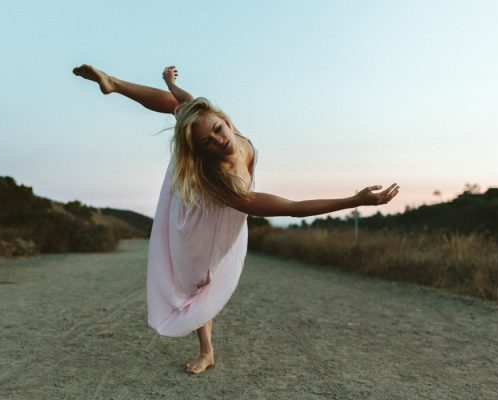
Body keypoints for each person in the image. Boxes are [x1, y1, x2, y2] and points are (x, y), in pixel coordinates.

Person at [73, 64, 400, 374]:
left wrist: (171, 83)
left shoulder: (225, 128)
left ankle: (114, 84)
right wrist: (354, 200)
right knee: (198, 281)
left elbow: (187, 102)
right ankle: (206, 351)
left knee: (182, 106)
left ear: (224, 119)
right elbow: (291, 207)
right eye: (209, 142)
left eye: (218, 129)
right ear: (201, 151)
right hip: (199, 209)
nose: (219, 140)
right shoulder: (221, 179)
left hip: (212, 189)